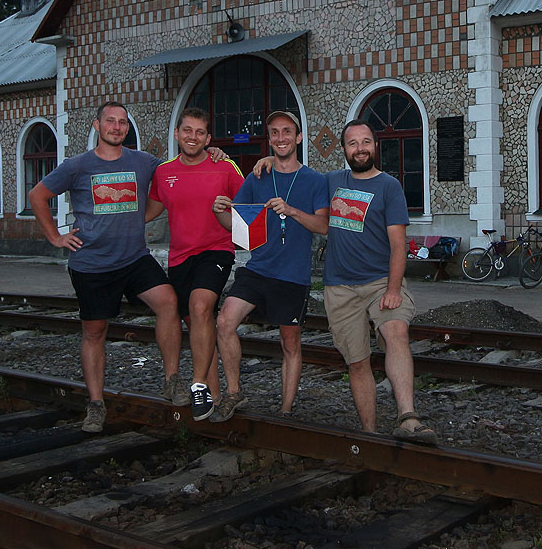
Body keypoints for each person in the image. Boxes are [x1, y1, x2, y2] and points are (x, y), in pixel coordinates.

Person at [255, 119, 437, 444]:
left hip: (381, 281)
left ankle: (408, 417)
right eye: (353, 143)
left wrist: (394, 289)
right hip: (339, 287)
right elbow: (294, 176)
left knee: (396, 333)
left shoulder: (389, 186)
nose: (360, 149)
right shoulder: (330, 181)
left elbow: (398, 245)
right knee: (357, 361)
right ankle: (370, 432)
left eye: (366, 142)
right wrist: (271, 160)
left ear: (375, 146)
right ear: (343, 149)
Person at [28, 101, 172, 433]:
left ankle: (172, 380)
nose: (117, 127)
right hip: (91, 264)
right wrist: (56, 237)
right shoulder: (77, 166)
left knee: (168, 302)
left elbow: (175, 174)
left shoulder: (143, 161)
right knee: (95, 332)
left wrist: (217, 157)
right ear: (97, 125)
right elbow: (37, 196)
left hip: (134, 258)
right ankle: (96, 404)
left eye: (122, 122)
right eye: (111, 121)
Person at [210, 110, 329, 422]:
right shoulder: (257, 176)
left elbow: (323, 226)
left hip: (292, 275)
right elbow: (236, 228)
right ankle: (234, 392)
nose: (281, 138)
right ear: (270, 139)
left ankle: (286, 410)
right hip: (258, 268)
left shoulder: (315, 180)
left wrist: (290, 210)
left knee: (290, 343)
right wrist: (220, 210)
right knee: (224, 322)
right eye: (274, 132)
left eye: (287, 131)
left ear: (298, 137)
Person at [147, 107, 244, 420]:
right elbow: (148, 211)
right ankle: (213, 397)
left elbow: (249, 205)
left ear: (208, 138)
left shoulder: (224, 167)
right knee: (198, 325)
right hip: (179, 257)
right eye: (187, 130)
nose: (193, 137)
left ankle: (198, 384)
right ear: (177, 134)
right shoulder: (163, 172)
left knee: (201, 307)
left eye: (199, 132)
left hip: (216, 250)